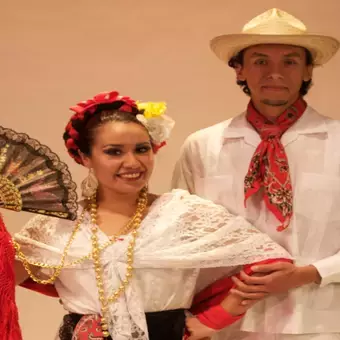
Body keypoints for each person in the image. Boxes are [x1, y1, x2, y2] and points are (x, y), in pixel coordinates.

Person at [13, 90, 291, 340]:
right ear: (85, 157)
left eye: (142, 149)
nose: (132, 162)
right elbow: (12, 273)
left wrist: (216, 319)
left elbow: (268, 260)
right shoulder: (59, 223)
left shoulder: (182, 213)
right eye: (114, 152)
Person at [172, 7, 340, 340]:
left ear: (308, 70)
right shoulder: (202, 146)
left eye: (290, 61)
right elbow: (178, 240)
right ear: (239, 70)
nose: (274, 73)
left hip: (321, 323)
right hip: (224, 324)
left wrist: (310, 273)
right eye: (261, 61)